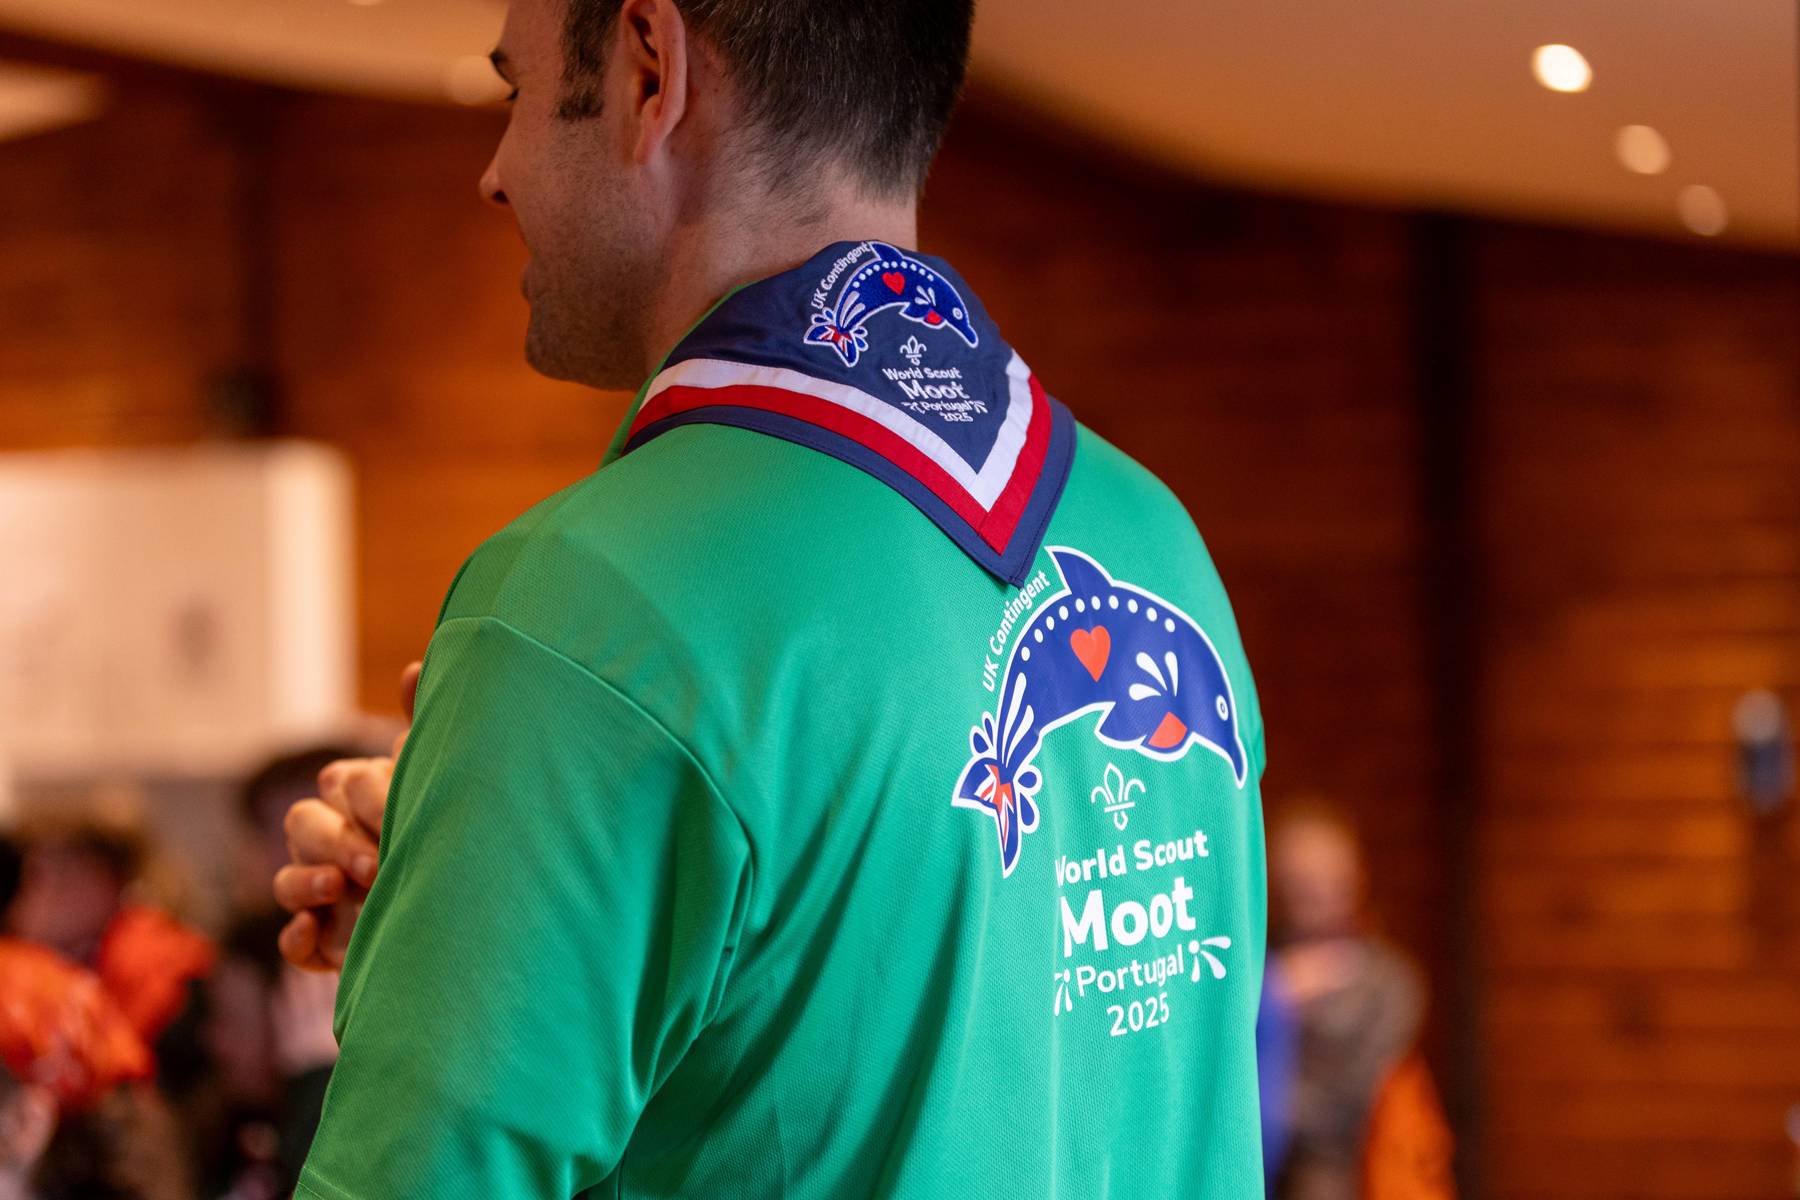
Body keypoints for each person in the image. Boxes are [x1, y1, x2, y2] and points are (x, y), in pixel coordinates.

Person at [276, 0, 1270, 1195]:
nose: (495, 176)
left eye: (516, 97)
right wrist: (480, 920)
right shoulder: (1154, 540)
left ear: (653, 69)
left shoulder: (585, 608)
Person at [1265, 803, 1437, 1200]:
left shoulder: (1390, 984)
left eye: (1326, 875)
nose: (1315, 890)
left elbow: (1341, 1113)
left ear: (1356, 876)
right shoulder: (1253, 975)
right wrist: (1270, 995)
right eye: (1299, 878)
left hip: (1342, 1176)